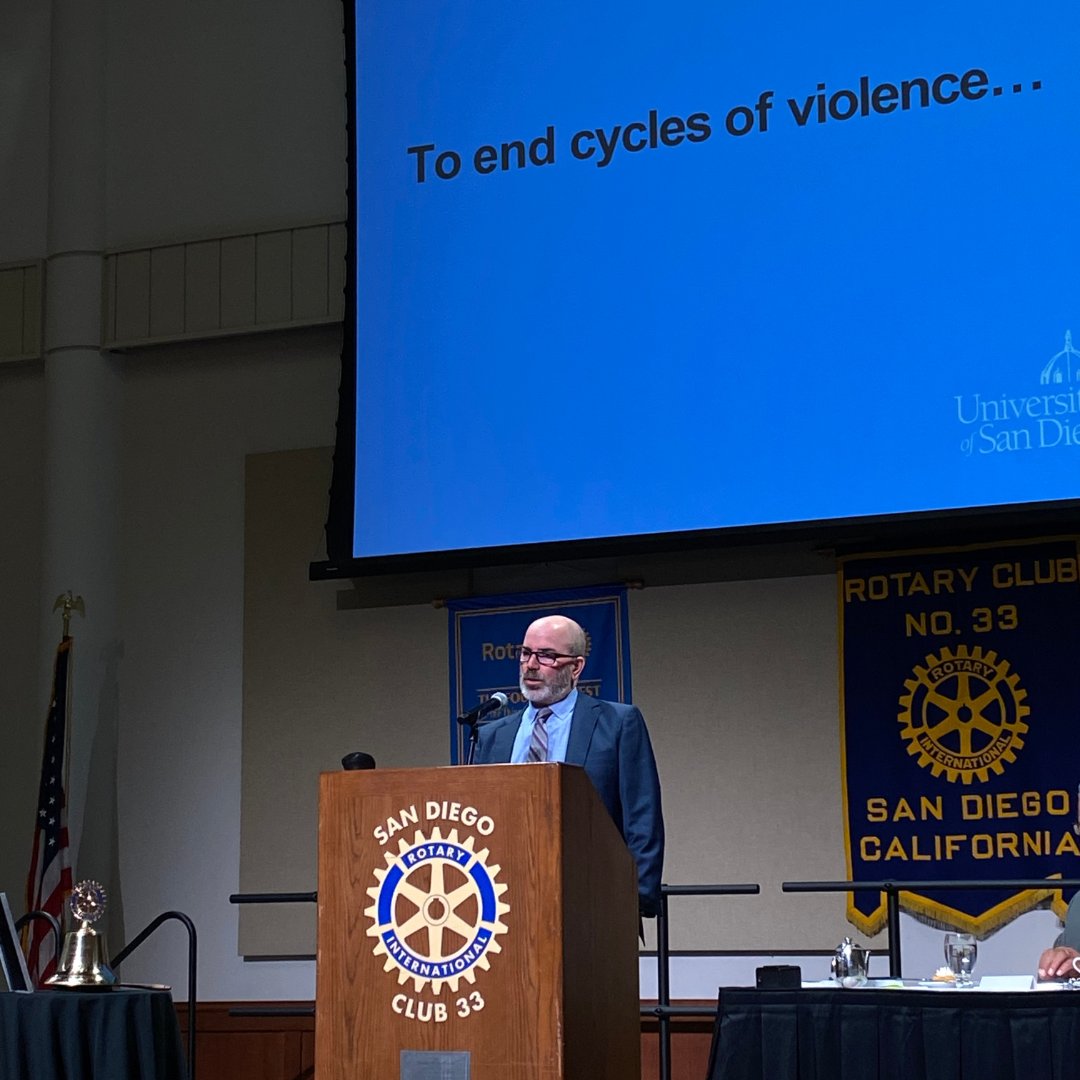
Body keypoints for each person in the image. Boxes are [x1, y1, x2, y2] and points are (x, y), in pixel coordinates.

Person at [474, 613, 665, 917]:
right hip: (506, 904)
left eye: (547, 656)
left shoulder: (617, 723)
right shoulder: (492, 736)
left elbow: (642, 817)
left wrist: (634, 898)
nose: (531, 665)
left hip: (592, 903)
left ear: (576, 667)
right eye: (525, 653)